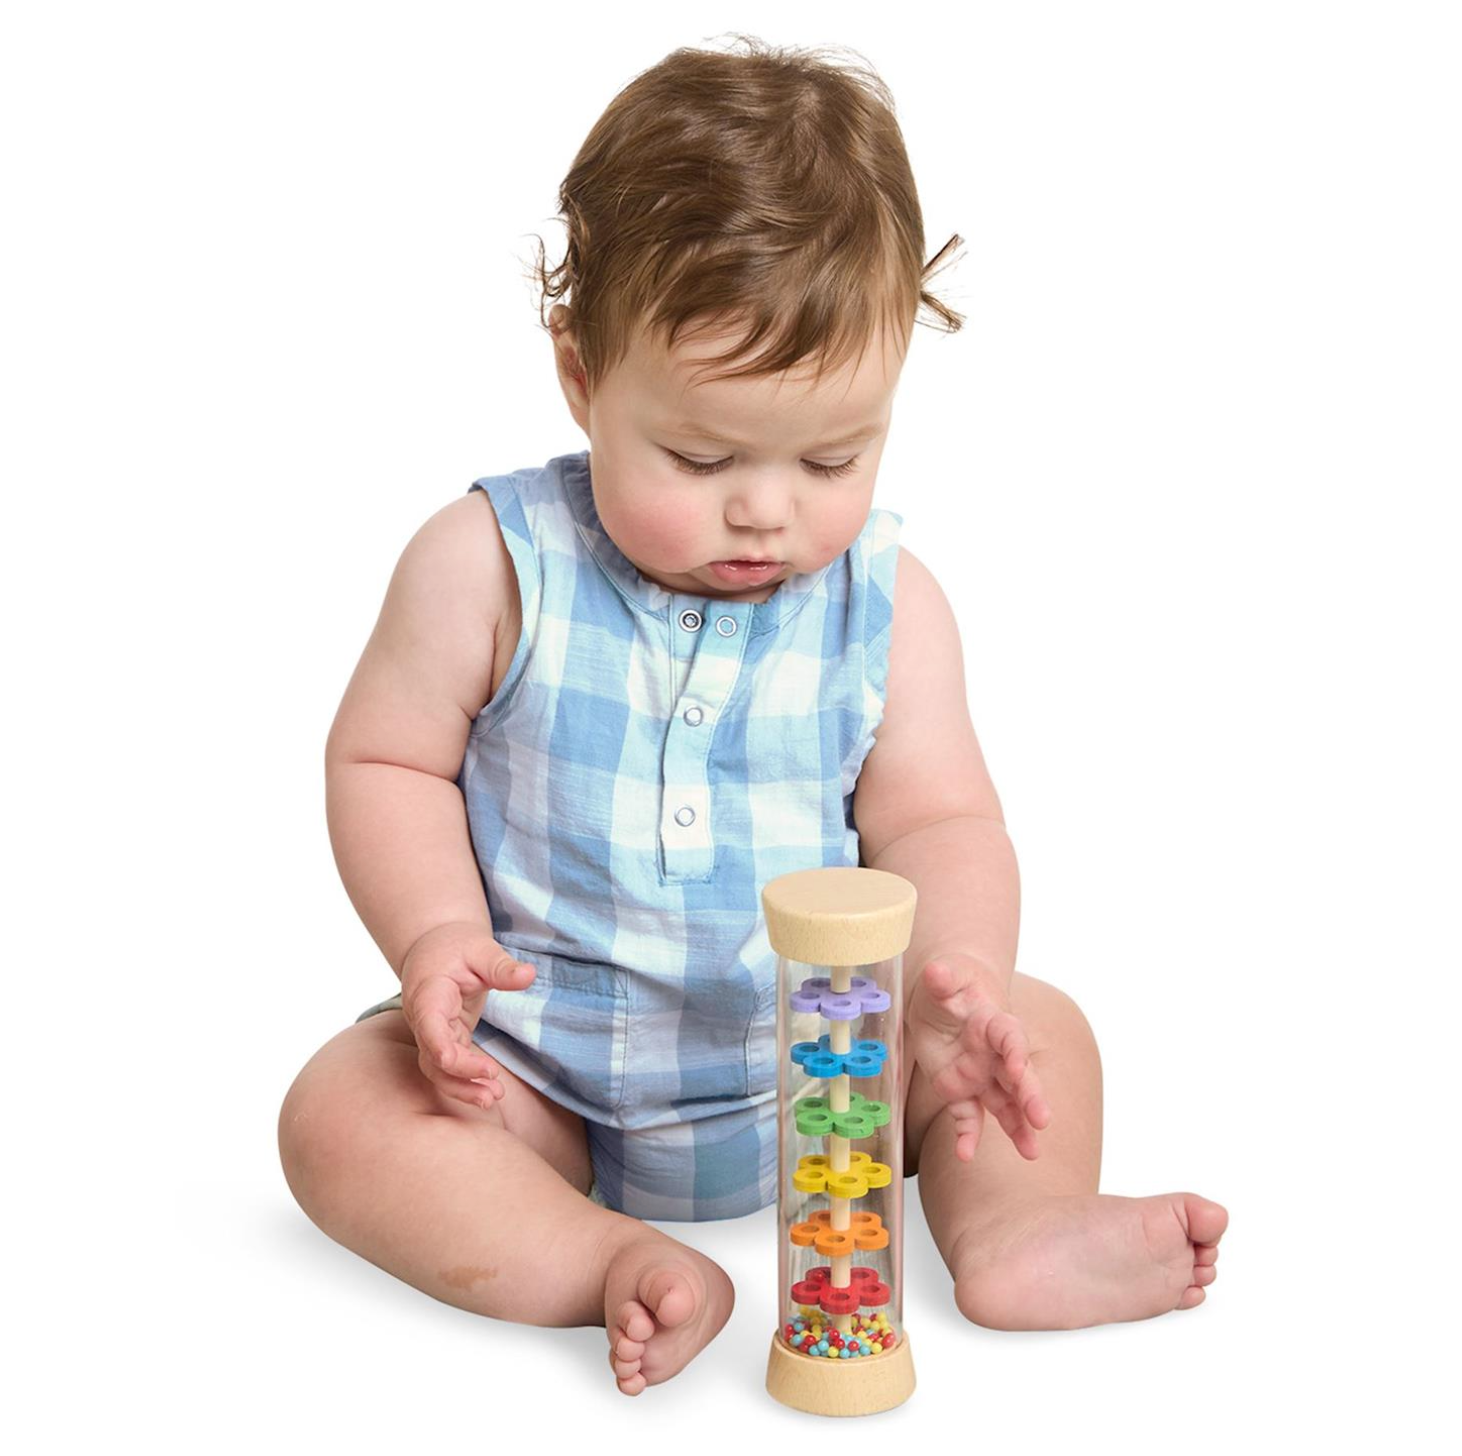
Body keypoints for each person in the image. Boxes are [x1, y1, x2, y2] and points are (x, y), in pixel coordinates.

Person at [277, 36, 1228, 1397]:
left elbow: (940, 815)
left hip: (833, 1077)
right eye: (702, 455)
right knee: (339, 1115)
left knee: (1045, 1027)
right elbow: (384, 759)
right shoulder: (487, 563)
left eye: (832, 456)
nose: (767, 508)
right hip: (544, 1080)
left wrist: (957, 977)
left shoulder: (885, 607)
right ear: (581, 377)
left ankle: (1010, 1229)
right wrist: (436, 939)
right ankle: (599, 1256)